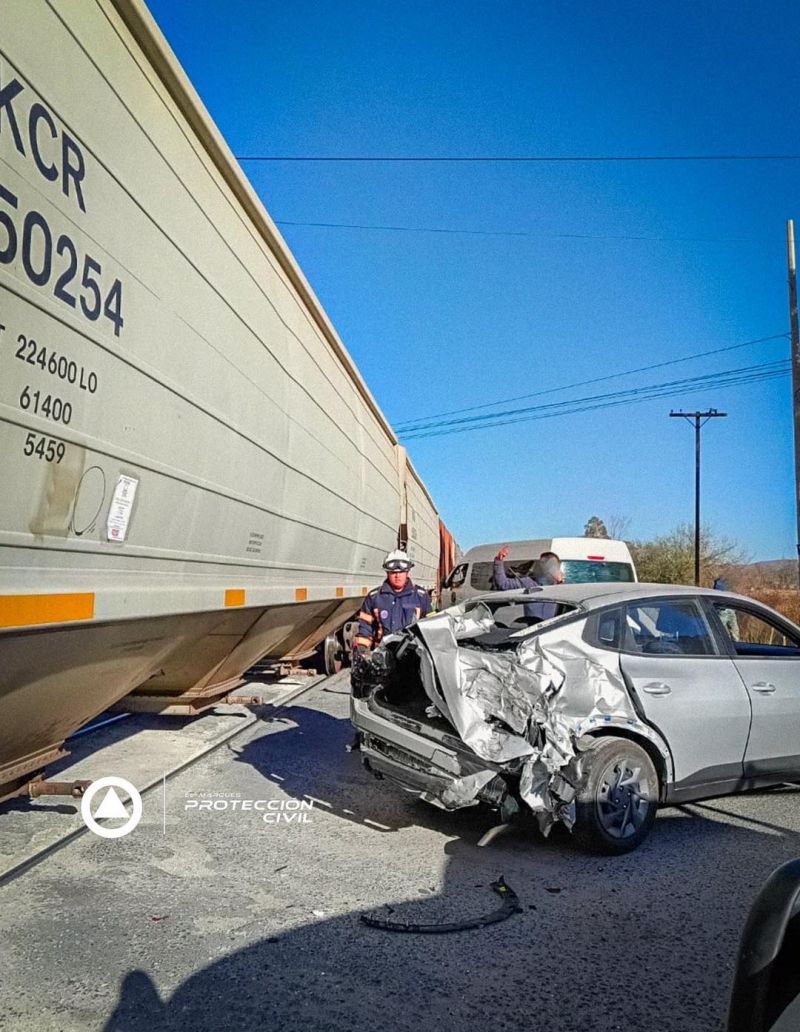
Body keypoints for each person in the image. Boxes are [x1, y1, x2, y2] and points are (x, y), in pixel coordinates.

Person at [348, 549, 431, 750]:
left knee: (411, 703)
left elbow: (431, 625)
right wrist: (362, 652)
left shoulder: (421, 596)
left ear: (408, 572)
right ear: (387, 572)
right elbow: (366, 628)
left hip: (413, 661)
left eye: (401, 571)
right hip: (383, 661)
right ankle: (366, 738)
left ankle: (409, 745)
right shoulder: (375, 597)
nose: (397, 575)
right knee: (375, 700)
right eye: (393, 571)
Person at [492, 545, 563, 621]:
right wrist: (499, 560)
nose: (546, 569)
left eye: (550, 565)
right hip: (531, 627)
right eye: (543, 564)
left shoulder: (562, 588)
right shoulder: (528, 583)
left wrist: (561, 584)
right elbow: (503, 584)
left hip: (555, 629)